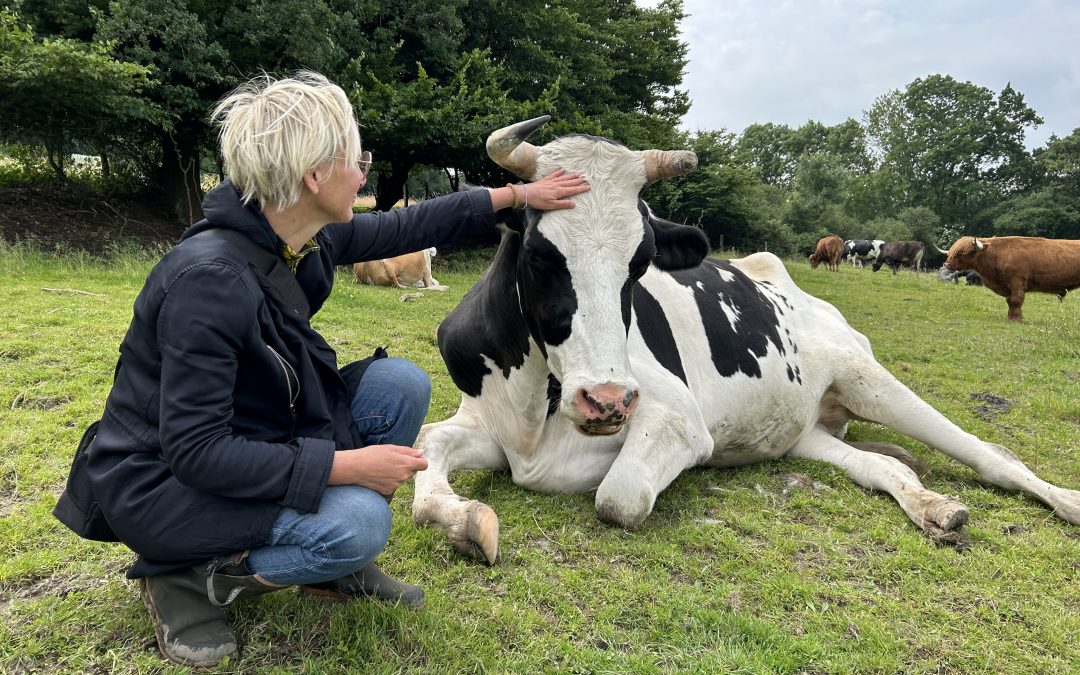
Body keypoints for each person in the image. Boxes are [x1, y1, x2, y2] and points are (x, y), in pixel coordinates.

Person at [72, 70, 589, 667]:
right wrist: (347, 467)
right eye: (357, 159)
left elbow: (405, 226)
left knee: (400, 385)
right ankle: (184, 577)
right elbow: (196, 451)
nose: (365, 173)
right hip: (166, 484)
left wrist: (518, 196)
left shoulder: (299, 237)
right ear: (314, 176)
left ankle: (327, 573)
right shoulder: (207, 282)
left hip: (253, 430)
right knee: (357, 525)